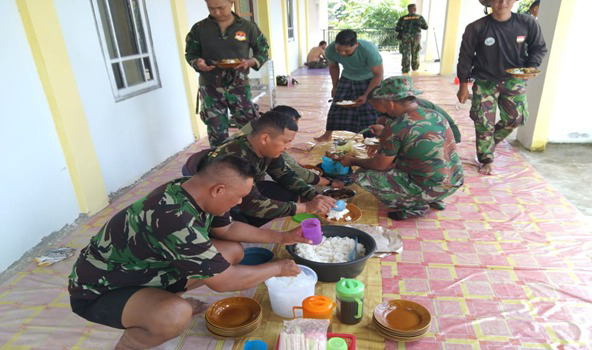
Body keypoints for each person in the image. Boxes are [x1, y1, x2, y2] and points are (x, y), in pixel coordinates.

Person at [68, 156, 308, 350]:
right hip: (100, 290)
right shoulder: (173, 218)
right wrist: (277, 268)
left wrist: (283, 237)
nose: (238, 204)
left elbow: (229, 228)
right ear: (218, 189)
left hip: (145, 270)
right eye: (239, 197)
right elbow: (225, 282)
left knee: (232, 251)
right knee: (174, 314)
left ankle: (161, 299)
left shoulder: (192, 189)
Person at [339, 76, 464, 220]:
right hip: (454, 181)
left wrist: (353, 161)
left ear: (390, 103)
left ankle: (415, 206)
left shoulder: (397, 126)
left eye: (382, 103)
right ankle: (434, 199)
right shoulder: (436, 115)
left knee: (363, 175)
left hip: (432, 186)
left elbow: (380, 165)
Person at [186, 111, 336, 227]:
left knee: (286, 194)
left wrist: (314, 195)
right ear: (265, 138)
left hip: (245, 190)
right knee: (241, 226)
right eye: (286, 141)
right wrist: (305, 207)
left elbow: (285, 174)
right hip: (217, 200)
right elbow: (251, 204)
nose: (288, 147)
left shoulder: (267, 148)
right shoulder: (236, 158)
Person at [457, 0, 547, 175]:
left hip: (514, 80)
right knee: (483, 122)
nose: (502, 2)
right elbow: (465, 57)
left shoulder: (527, 23)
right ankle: (486, 158)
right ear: (489, 1)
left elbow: (539, 48)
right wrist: (463, 85)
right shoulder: (476, 28)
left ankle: (489, 142)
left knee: (517, 118)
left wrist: (530, 66)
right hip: (485, 82)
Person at [185, 0, 269, 147]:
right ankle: (220, 162)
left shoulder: (247, 27)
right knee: (216, 129)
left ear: (231, 2)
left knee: (248, 127)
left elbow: (262, 51)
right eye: (211, 9)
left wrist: (250, 61)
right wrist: (197, 62)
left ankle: (252, 160)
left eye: (220, 8)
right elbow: (190, 53)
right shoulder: (199, 29)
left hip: (239, 86)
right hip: (210, 86)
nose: (216, 12)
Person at [225, 105, 345, 188]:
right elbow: (294, 171)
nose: (288, 146)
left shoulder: (261, 130)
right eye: (286, 141)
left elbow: (285, 171)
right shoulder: (241, 154)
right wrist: (329, 183)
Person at [315, 30, 384, 142]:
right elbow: (333, 67)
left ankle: (373, 138)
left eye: (346, 50)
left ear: (356, 44)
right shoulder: (330, 50)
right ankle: (327, 135)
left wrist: (366, 95)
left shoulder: (368, 50)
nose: (342, 53)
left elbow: (378, 74)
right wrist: (335, 86)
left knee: (369, 109)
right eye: (339, 50)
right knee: (336, 105)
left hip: (370, 78)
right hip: (348, 76)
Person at [395, 4, 428, 74]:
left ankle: (405, 68)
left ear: (408, 9)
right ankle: (415, 67)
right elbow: (425, 27)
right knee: (415, 51)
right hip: (416, 37)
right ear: (415, 9)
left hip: (406, 37)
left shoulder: (403, 18)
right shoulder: (419, 17)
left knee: (406, 52)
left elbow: (397, 29)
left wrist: (403, 30)